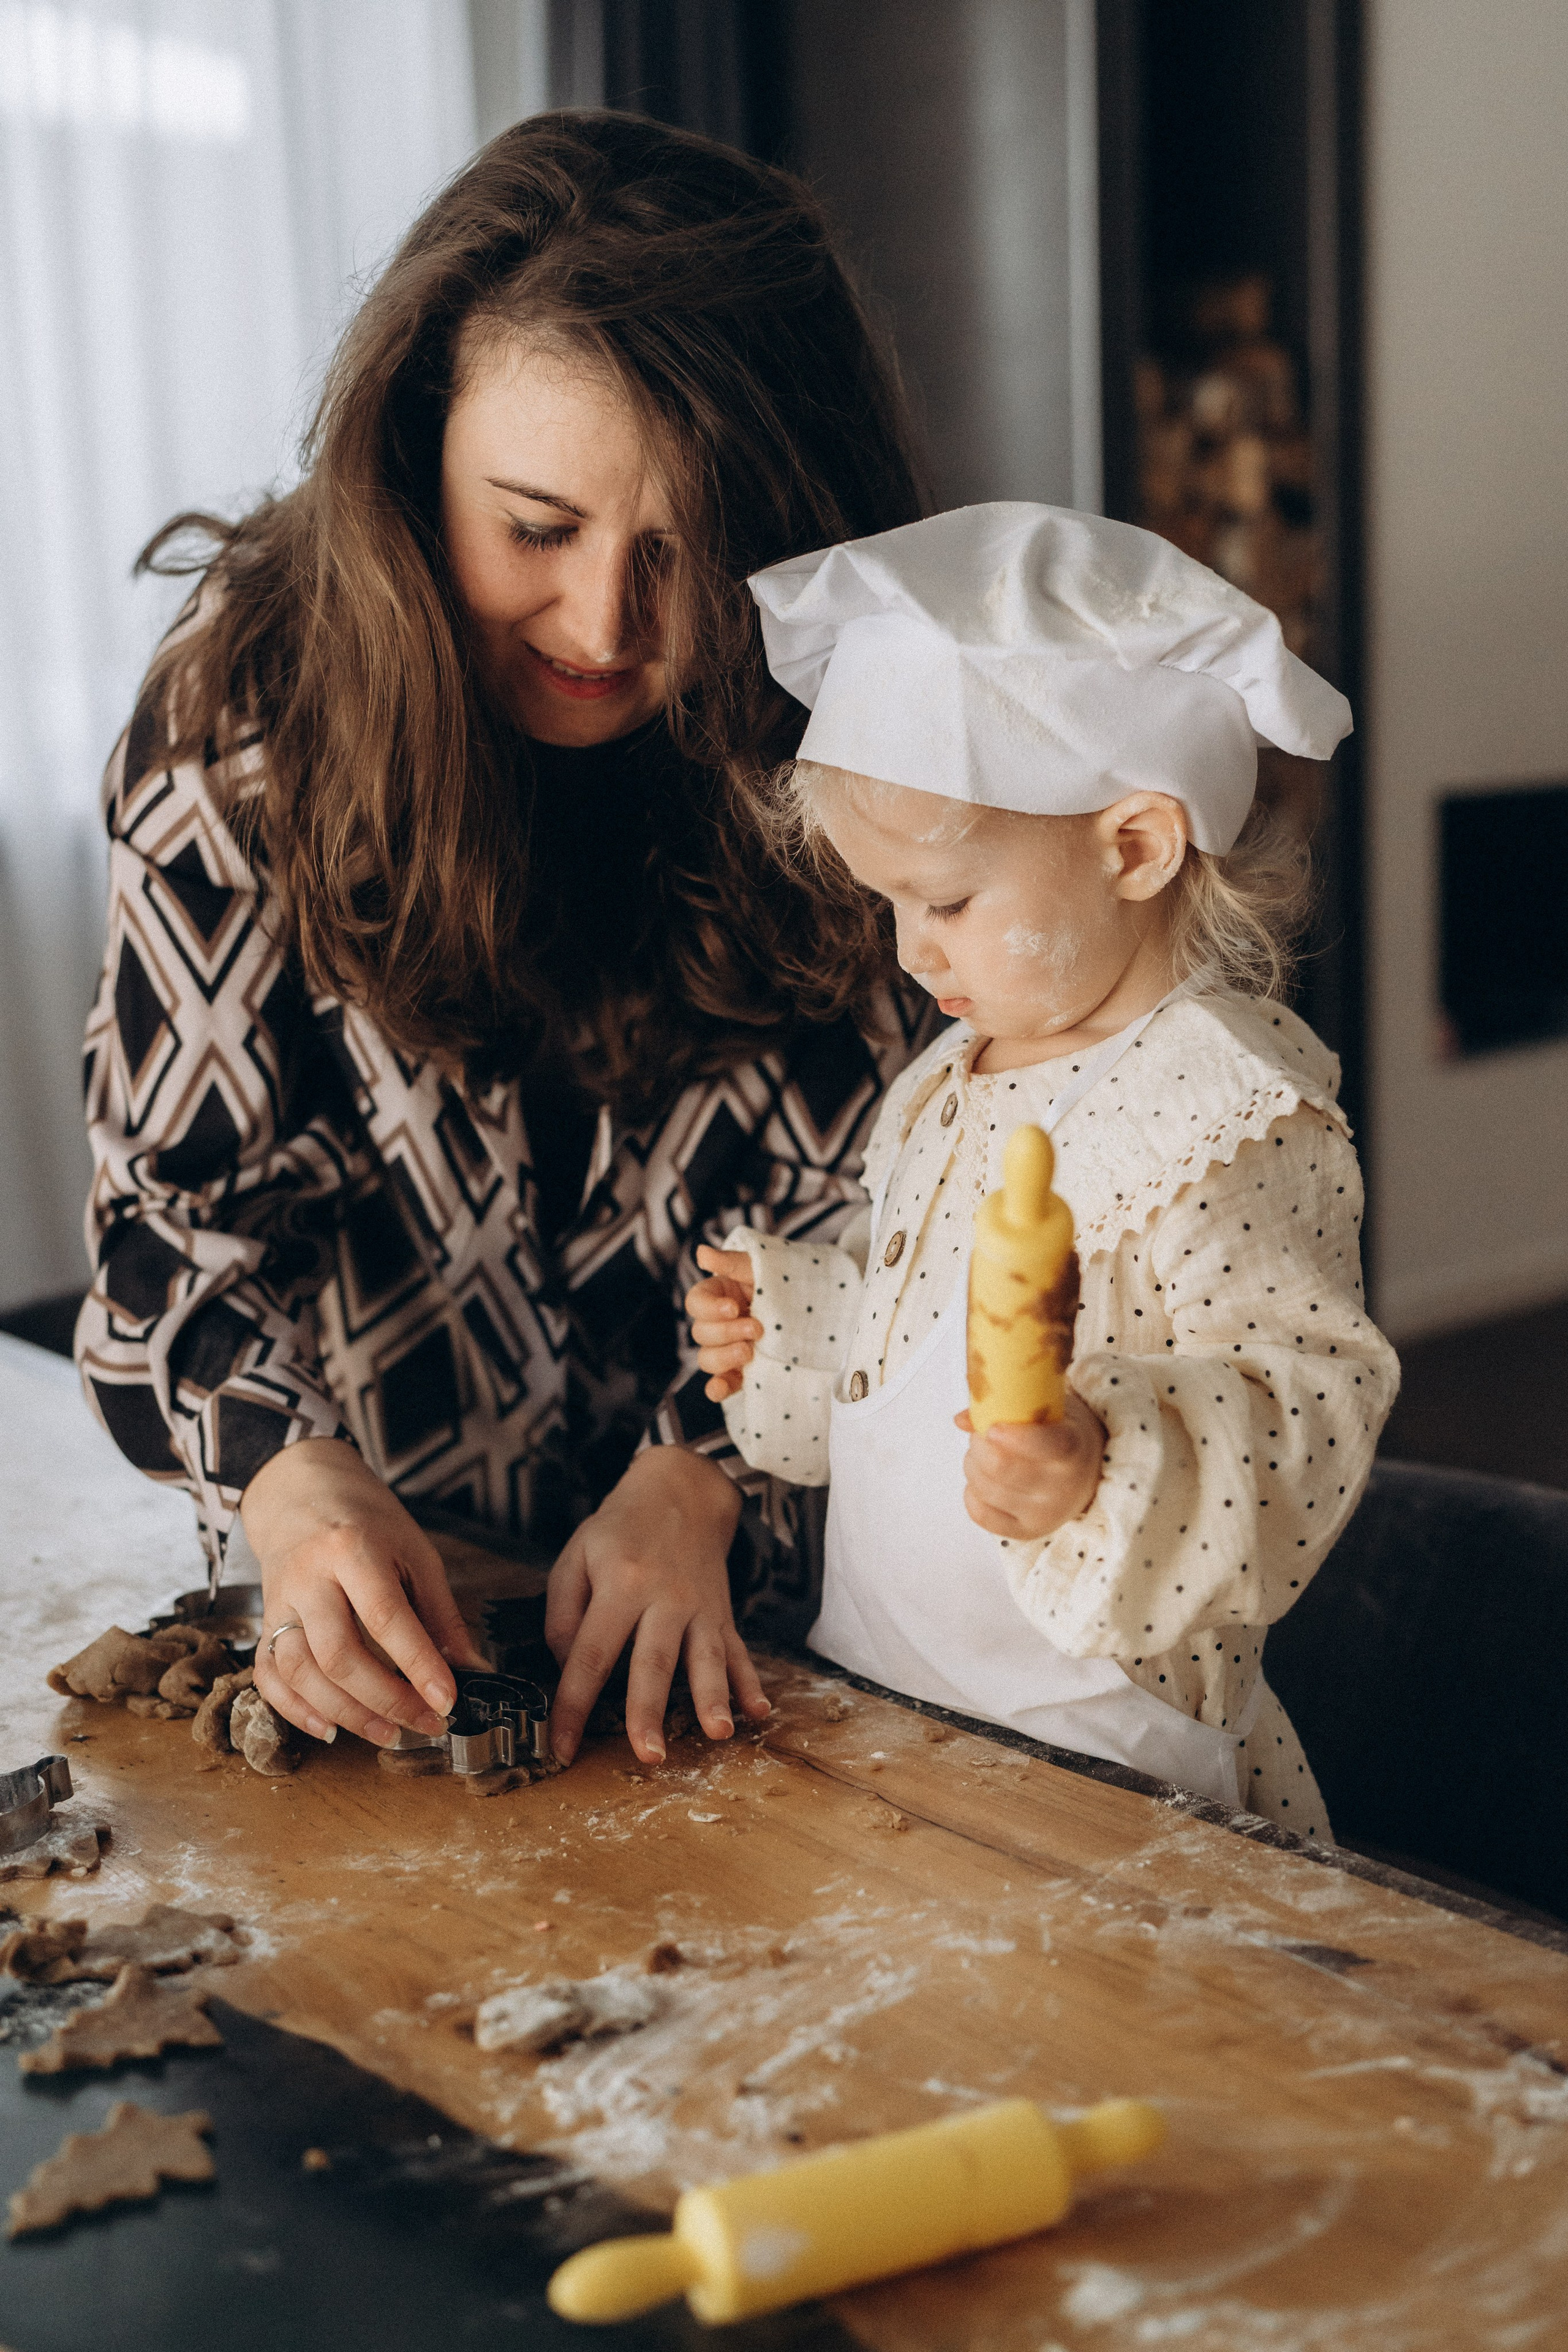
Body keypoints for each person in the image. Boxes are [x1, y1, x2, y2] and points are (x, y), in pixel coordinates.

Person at [75, 112, 934, 1771]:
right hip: (403, 1608)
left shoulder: (870, 736)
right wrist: (285, 1477)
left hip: (796, 1635)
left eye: (687, 554)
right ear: (412, 454)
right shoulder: (238, 727)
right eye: (537, 528)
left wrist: (708, 1472)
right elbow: (160, 1237)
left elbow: (902, 1213)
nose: (608, 629)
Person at [686, 502, 1400, 1833]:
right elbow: (924, 1356)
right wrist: (795, 1325)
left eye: (946, 903)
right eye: (887, 904)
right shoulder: (943, 1086)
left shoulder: (1220, 1114)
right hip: (888, 1721)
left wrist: (1099, 1458)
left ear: (1131, 846)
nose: (909, 953)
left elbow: (1306, 1406)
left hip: (1100, 1776)